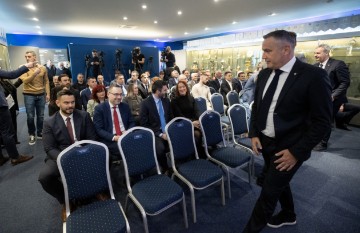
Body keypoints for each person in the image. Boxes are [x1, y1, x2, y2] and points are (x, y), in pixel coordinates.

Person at [243, 30, 332, 232]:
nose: (263, 56)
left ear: (286, 49)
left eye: (267, 51)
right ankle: (289, 214)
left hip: (290, 148)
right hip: (266, 142)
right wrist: (255, 133)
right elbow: (257, 107)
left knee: (268, 193)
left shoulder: (314, 76)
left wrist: (296, 152)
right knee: (275, 181)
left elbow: (323, 122)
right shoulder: (264, 74)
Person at [38, 89, 97, 221]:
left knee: (107, 158)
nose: (70, 105)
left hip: (83, 152)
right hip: (61, 155)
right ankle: (66, 200)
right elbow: (49, 148)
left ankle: (98, 189)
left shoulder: (83, 115)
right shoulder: (49, 122)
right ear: (58, 103)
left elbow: (92, 138)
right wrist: (65, 160)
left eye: (72, 102)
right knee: (45, 177)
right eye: (66, 103)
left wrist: (84, 154)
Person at [313, 44, 350, 151]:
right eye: (315, 53)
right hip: (319, 99)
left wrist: (333, 96)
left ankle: (322, 143)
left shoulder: (338, 64)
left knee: (326, 120)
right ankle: (315, 139)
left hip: (333, 99)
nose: (315, 55)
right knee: (316, 119)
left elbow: (345, 82)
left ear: (326, 53)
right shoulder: (315, 66)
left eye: (318, 53)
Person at [0, 63, 36, 166]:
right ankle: (15, 157)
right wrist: (26, 66)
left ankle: (0, 158)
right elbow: (12, 74)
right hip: (1, 107)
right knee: (7, 132)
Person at [93, 85, 135, 161]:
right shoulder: (100, 109)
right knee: (127, 149)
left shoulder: (125, 106)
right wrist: (114, 137)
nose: (119, 97)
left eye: (120, 94)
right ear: (108, 94)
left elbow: (132, 122)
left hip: (126, 136)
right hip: (110, 139)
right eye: (116, 94)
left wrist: (128, 132)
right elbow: (99, 129)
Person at [17, 51, 50, 145]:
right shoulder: (22, 68)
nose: (27, 58)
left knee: (41, 116)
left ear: (34, 57)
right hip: (29, 95)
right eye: (26, 56)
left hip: (41, 94)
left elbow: (46, 81)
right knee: (30, 116)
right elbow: (26, 81)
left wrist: (48, 94)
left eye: (29, 56)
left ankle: (39, 132)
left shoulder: (42, 68)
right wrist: (34, 73)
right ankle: (31, 134)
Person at [140, 80, 172, 172]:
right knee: (160, 149)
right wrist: (161, 134)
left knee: (181, 138)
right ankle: (165, 169)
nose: (167, 92)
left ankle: (178, 163)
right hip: (155, 133)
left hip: (168, 130)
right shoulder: (145, 103)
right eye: (165, 90)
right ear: (158, 91)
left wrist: (170, 130)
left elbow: (170, 116)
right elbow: (144, 124)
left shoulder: (166, 101)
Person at [171, 80, 205, 158]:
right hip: (182, 123)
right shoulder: (174, 101)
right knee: (197, 134)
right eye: (180, 87)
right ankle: (194, 153)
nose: (182, 89)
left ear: (186, 88)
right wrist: (191, 122)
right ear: (177, 89)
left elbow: (197, 111)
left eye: (183, 87)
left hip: (194, 122)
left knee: (206, 128)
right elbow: (178, 115)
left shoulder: (191, 98)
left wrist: (198, 120)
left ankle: (204, 150)